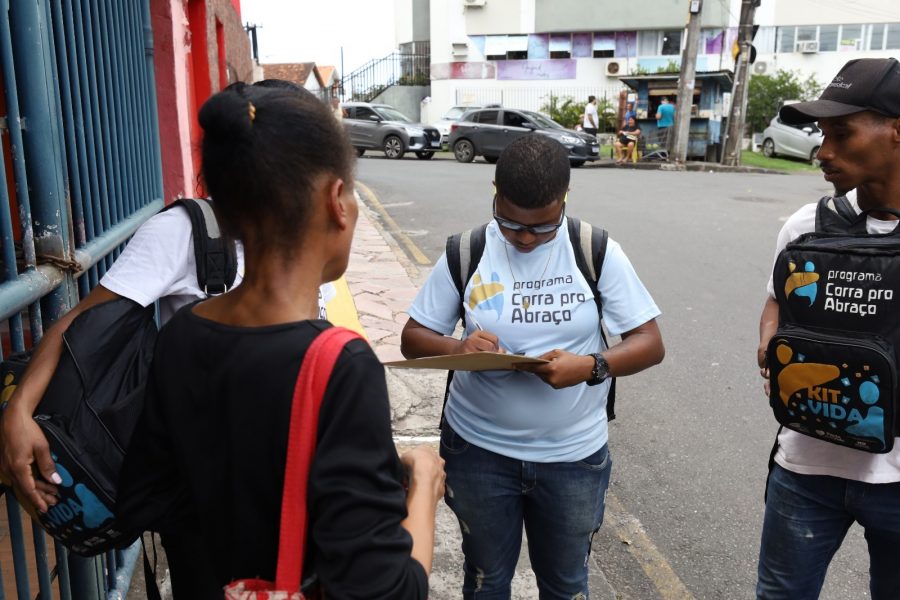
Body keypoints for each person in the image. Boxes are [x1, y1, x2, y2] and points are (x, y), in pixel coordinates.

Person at [116, 83, 445, 598]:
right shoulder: (341, 365)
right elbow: (388, 590)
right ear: (336, 201)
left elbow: (145, 496)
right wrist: (423, 483)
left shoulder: (180, 334)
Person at [0, 80, 335, 515]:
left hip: (289, 469)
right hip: (204, 484)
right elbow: (78, 323)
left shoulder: (313, 235)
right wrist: (19, 411)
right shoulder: (184, 232)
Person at [401, 135, 665, 599]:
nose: (525, 238)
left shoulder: (594, 250)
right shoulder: (467, 251)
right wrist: (459, 348)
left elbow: (650, 343)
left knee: (565, 585)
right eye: (510, 224)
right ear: (495, 193)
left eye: (542, 227)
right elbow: (412, 339)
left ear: (564, 199)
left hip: (573, 459)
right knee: (485, 581)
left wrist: (592, 366)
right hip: (478, 453)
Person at [755, 57, 900, 600]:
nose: (823, 151)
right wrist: (769, 343)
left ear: (897, 130)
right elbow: (776, 304)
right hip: (805, 465)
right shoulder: (807, 225)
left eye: (841, 134)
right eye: (821, 134)